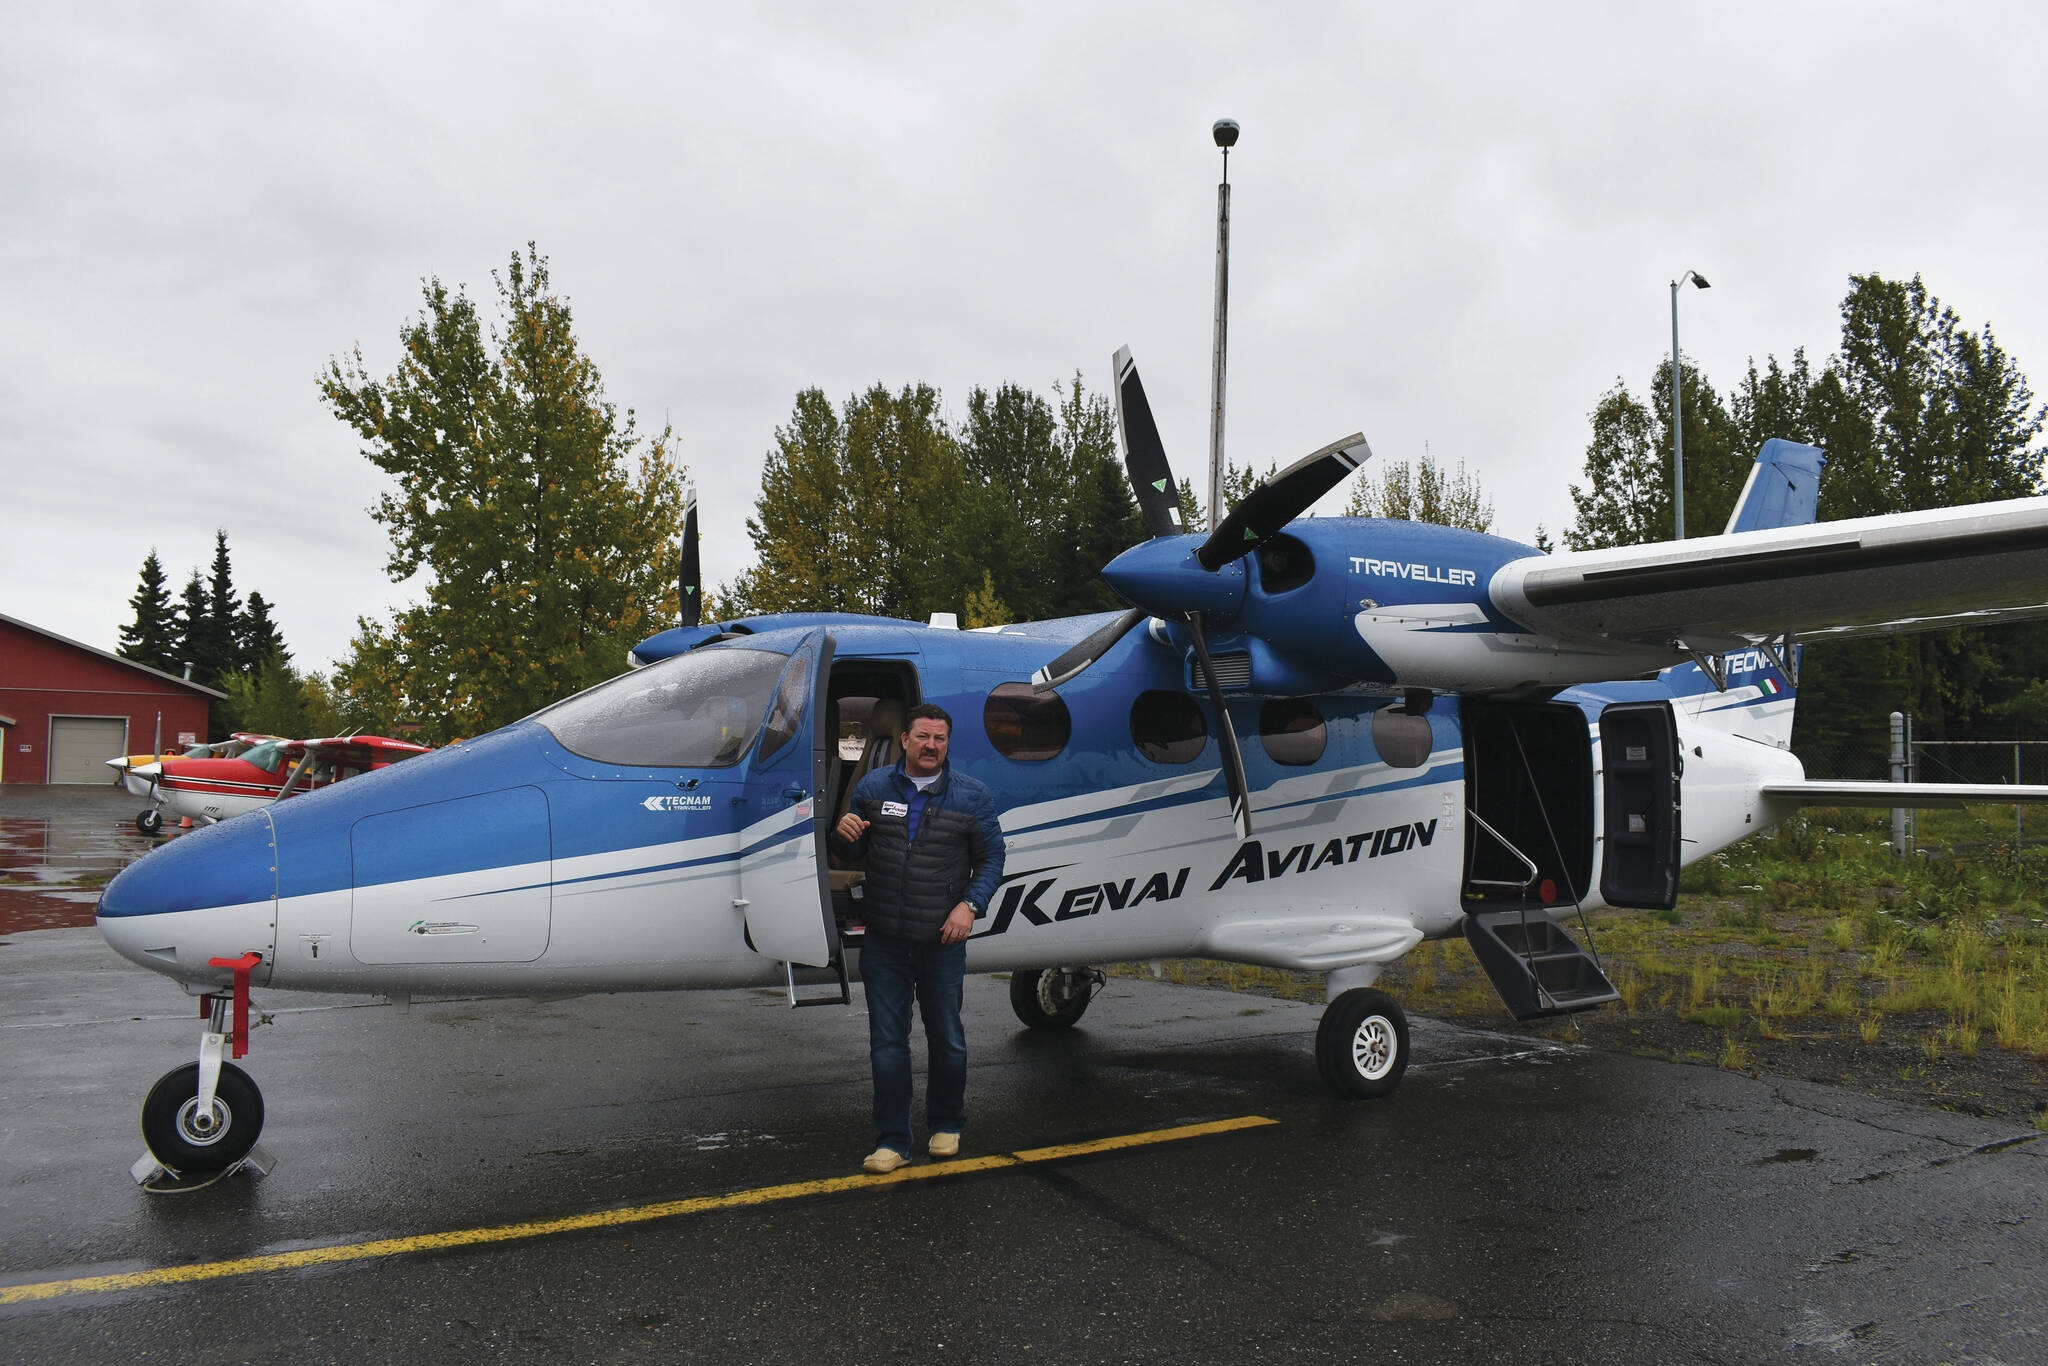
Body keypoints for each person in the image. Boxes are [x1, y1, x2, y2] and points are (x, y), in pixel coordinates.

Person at [830, 702, 1004, 1174]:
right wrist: (842, 835)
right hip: (885, 940)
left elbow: (992, 859)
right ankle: (892, 1141)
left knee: (947, 1038)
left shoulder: (971, 796)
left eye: (939, 739)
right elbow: (850, 853)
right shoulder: (872, 788)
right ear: (904, 740)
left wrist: (970, 906)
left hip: (941, 942)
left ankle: (947, 1124)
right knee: (887, 1043)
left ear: (947, 744)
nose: (931, 746)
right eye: (923, 737)